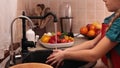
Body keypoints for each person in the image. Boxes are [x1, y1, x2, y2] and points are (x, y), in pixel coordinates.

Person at [46, 0, 120, 68]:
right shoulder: (113, 18)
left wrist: (64, 55)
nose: (103, 0)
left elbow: (94, 55)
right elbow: (92, 43)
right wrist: (65, 51)